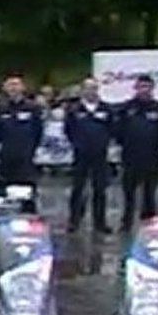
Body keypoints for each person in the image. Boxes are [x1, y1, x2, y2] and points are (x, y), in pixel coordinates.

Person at [65, 78, 113, 234]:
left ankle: (100, 223)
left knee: (100, 189)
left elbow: (112, 128)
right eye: (87, 88)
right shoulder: (74, 110)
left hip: (100, 155)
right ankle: (74, 221)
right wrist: (77, 143)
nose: (90, 91)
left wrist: (104, 143)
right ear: (82, 90)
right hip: (80, 155)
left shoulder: (106, 109)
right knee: (78, 188)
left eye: (93, 88)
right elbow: (68, 129)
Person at [116, 74, 158, 231]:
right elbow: (118, 131)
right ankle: (126, 222)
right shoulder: (127, 108)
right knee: (128, 193)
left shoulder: (157, 108)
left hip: (152, 158)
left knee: (149, 193)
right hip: (130, 157)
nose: (144, 90)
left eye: (147, 87)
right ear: (136, 88)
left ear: (152, 88)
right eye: (141, 87)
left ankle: (150, 223)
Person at [0, 75, 44, 184]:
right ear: (5, 88)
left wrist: (34, 149)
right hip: (6, 156)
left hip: (26, 155)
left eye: (16, 84)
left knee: (26, 187)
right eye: (10, 85)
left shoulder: (33, 107)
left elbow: (38, 129)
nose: (13, 88)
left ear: (23, 87)